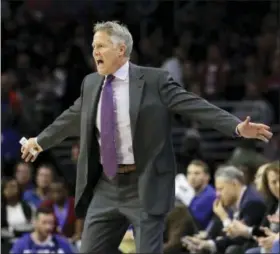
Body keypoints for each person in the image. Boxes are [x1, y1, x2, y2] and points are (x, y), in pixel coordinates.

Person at [20, 21, 273, 253]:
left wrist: (237, 127)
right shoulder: (90, 83)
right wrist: (40, 142)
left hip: (144, 185)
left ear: (121, 50)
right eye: (93, 46)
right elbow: (71, 116)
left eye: (100, 46)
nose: (94, 51)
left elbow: (195, 105)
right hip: (105, 186)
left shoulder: (154, 80)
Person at [10, 207, 76, 254]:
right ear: (35, 222)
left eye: (51, 223)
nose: (48, 227)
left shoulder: (62, 243)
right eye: (44, 223)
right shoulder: (21, 244)